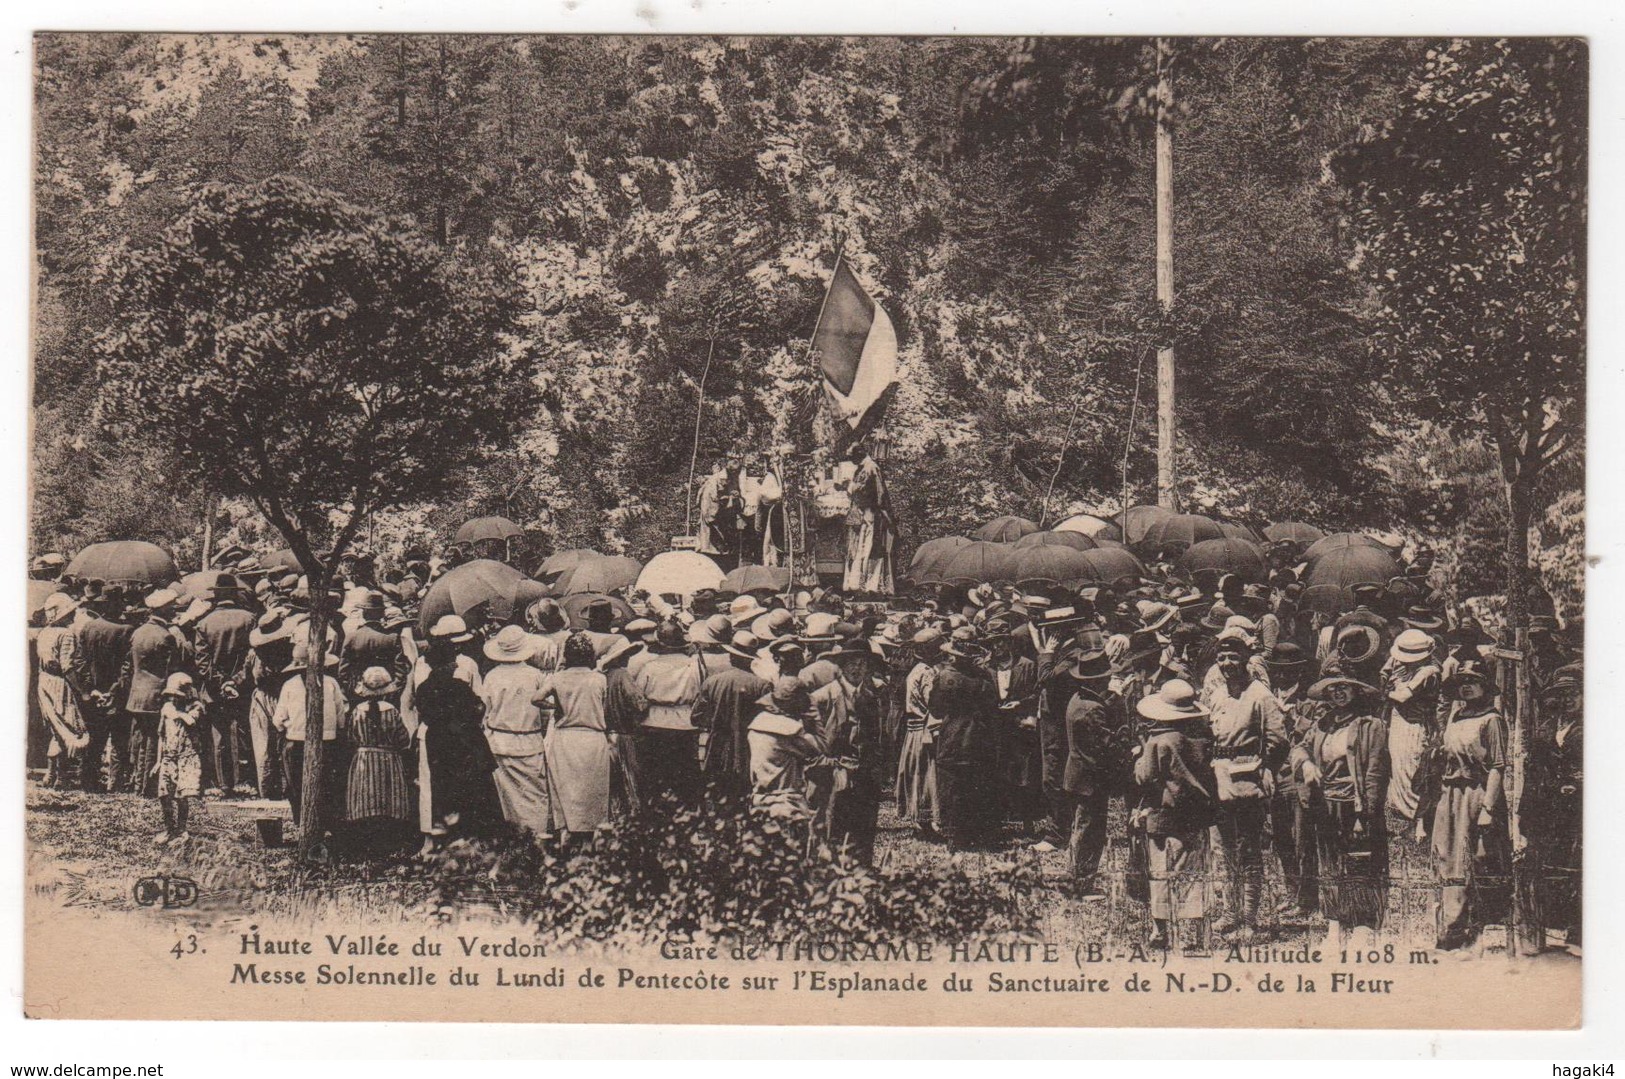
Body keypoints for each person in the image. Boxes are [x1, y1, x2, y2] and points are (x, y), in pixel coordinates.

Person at [1292, 674, 1392, 951]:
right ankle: (1335, 924)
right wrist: (1306, 765)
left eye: (1344, 687)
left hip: (1357, 804)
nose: (1338, 693)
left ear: (1356, 691)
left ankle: (1362, 925)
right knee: (1330, 864)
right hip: (1327, 803)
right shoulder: (1323, 725)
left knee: (1359, 863)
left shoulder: (1371, 726)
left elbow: (1375, 771)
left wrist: (1367, 812)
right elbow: (1298, 747)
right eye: (1333, 688)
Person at [1202, 635, 1289, 943]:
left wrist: (1265, 771)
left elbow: (1278, 741)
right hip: (1219, 777)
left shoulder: (1259, 695)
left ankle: (1249, 918)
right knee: (1222, 850)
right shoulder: (1217, 694)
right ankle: (1229, 913)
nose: (1227, 664)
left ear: (1245, 660)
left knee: (1248, 851)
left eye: (1232, 657)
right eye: (1222, 658)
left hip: (1247, 778)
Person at [1425, 660, 1509, 951]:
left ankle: (1483, 928)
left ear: (1485, 686)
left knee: (1476, 858)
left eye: (1473, 680)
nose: (1467, 686)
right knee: (1447, 856)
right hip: (1450, 794)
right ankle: (1450, 930)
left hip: (1476, 793)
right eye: (1462, 681)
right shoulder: (1457, 717)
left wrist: (1488, 808)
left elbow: (1498, 767)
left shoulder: (1492, 719)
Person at [1133, 680, 1216, 952]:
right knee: (1192, 873)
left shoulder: (1158, 742)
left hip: (1164, 815)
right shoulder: (1202, 739)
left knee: (1161, 871)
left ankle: (1161, 930)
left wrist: (1138, 756)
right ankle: (1191, 933)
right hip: (1195, 814)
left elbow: (1144, 776)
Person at [413, 618, 504, 850]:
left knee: (432, 785)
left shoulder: (421, 664)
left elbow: (418, 701)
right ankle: (465, 837)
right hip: (461, 733)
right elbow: (480, 701)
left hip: (430, 732)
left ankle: (432, 839)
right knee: (465, 785)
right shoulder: (466, 665)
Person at [808, 641, 883, 864]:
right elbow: (810, 741)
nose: (857, 669)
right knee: (830, 826)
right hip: (833, 773)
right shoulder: (822, 697)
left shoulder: (871, 698)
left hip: (863, 774)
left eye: (862, 664)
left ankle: (860, 870)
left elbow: (877, 738)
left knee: (862, 828)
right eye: (852, 663)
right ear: (841, 666)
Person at [1059, 641, 1124, 896]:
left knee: (1080, 827)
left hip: (1077, 774)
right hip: (1090, 778)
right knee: (1090, 831)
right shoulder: (1094, 709)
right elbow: (1106, 744)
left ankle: (1074, 877)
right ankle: (1079, 882)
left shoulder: (1078, 699)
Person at [479, 626, 554, 843]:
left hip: (500, 742)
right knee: (535, 795)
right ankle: (537, 841)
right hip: (530, 741)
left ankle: (513, 842)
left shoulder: (492, 676)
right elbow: (546, 711)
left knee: (507, 798)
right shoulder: (536, 676)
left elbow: (485, 709)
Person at [540, 632, 616, 842]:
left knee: (566, 789)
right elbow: (604, 706)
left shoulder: (557, 678)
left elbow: (536, 698)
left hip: (566, 738)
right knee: (593, 791)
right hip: (593, 738)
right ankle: (593, 835)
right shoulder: (599, 679)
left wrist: (554, 706)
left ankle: (566, 833)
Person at [930, 627, 1000, 850]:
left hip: (952, 736)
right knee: (976, 785)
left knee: (951, 786)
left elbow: (936, 710)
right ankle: (977, 833)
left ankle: (953, 835)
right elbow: (993, 707)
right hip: (979, 737)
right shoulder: (985, 677)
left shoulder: (944, 677)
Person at [630, 619, 704, 807]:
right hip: (685, 723)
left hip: (654, 723)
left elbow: (639, 697)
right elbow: (701, 692)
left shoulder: (650, 667)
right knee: (685, 777)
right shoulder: (694, 666)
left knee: (654, 777)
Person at [691, 630, 772, 802]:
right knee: (747, 794)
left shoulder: (712, 682)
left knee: (719, 793)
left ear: (731, 656)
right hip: (749, 747)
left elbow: (697, 717)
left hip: (718, 745)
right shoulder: (762, 685)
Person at [341, 666, 415, 854]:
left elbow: (350, 737)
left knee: (367, 798)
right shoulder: (391, 711)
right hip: (389, 760)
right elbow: (403, 739)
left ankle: (367, 843)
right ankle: (388, 842)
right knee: (388, 799)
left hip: (364, 759)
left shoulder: (358, 710)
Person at [272, 646, 346, 832]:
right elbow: (341, 717)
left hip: (296, 741)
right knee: (326, 782)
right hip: (327, 741)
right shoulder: (330, 683)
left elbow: (278, 718)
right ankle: (324, 822)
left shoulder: (290, 685)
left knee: (296, 784)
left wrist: (288, 726)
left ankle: (302, 821)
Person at [194, 577, 257, 795]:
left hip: (214, 691)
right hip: (243, 687)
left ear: (217, 595)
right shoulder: (249, 619)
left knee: (219, 735)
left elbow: (202, 664)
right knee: (242, 732)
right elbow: (253, 656)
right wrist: (236, 681)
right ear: (234, 594)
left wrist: (221, 683)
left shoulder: (204, 624)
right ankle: (245, 780)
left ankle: (224, 783)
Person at [125, 589, 190, 798]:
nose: (174, 609)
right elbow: (172, 668)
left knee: (141, 740)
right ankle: (149, 786)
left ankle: (138, 783)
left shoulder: (139, 631)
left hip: (137, 694)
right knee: (154, 740)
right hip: (156, 694)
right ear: (164, 609)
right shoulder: (166, 636)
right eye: (171, 606)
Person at [75, 587, 136, 794]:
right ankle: (116, 783)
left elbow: (79, 661)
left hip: (92, 695)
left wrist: (89, 689)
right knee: (119, 740)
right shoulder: (126, 630)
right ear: (116, 604)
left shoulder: (88, 627)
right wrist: (114, 690)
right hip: (116, 695)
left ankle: (88, 782)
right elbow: (126, 667)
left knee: (95, 739)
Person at [746, 676, 825, 828]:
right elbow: (821, 749)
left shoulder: (757, 723)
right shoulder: (791, 730)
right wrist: (815, 721)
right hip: (787, 806)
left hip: (759, 801)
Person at [1384, 627, 1443, 823]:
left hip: (1415, 725)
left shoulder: (1428, 671)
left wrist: (1387, 691)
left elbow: (1402, 696)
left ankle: (1418, 815)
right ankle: (1404, 811)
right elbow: (1384, 673)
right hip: (1400, 722)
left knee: (1415, 767)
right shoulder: (1405, 667)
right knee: (1399, 765)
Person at [37, 593, 87, 789]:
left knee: (56, 727)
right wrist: (80, 690)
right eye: (71, 611)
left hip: (44, 681)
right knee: (68, 727)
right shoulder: (65, 634)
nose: (74, 613)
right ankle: (62, 777)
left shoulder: (44, 633)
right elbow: (67, 666)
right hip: (58, 682)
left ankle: (51, 775)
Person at [895, 627, 942, 834]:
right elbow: (933, 702)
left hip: (914, 728)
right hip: (924, 728)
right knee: (926, 773)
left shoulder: (916, 669)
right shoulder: (927, 673)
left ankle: (919, 817)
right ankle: (926, 817)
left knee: (916, 772)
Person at [246, 609, 295, 801]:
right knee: (276, 746)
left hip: (270, 699)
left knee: (269, 747)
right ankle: (278, 791)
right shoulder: (286, 651)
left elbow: (246, 675)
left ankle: (274, 790)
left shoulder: (258, 653)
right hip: (275, 698)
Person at [155, 673, 205, 846]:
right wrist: (158, 760)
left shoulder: (195, 706)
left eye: (177, 696)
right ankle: (169, 828)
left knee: (182, 795)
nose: (174, 699)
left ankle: (182, 829)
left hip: (186, 756)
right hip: (169, 756)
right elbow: (161, 735)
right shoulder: (166, 708)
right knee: (164, 794)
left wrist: (176, 713)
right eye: (172, 696)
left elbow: (191, 721)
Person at [842, 441, 894, 594]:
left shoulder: (871, 467)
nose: (851, 461)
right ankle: (858, 584)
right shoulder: (862, 468)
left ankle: (870, 586)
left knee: (868, 549)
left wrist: (850, 487)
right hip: (862, 513)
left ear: (860, 454)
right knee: (859, 549)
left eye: (852, 457)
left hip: (870, 513)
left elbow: (876, 493)